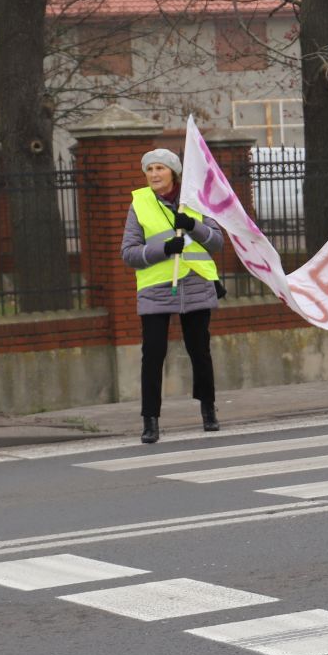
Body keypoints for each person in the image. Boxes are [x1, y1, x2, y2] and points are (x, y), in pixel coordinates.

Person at [121, 148, 226, 444]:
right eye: (149, 169)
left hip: (195, 285)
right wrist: (165, 249)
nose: (154, 174)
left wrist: (193, 225)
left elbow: (217, 242)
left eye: (160, 169)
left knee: (199, 351)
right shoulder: (139, 204)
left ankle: (208, 409)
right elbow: (128, 254)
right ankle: (150, 420)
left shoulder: (194, 201)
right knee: (152, 355)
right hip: (156, 289)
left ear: (174, 173)